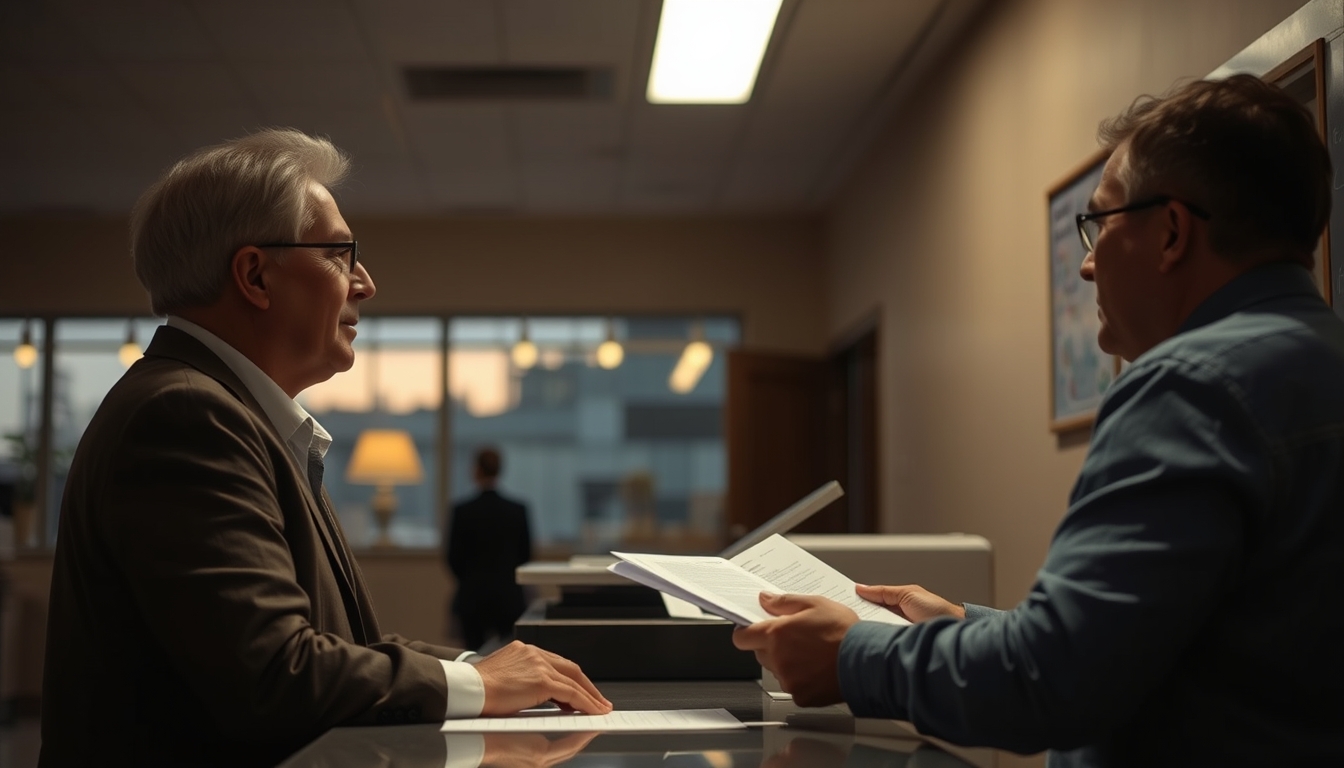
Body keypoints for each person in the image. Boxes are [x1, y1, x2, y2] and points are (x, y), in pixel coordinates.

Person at [733, 73, 1343, 766]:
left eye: (1102, 223)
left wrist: (853, 656)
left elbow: (1050, 683)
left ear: (1171, 231)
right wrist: (969, 626)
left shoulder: (1190, 388)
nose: (1086, 267)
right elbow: (1194, 658)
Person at [39, 128, 610, 768]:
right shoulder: (186, 415)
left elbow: (341, 643)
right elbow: (275, 672)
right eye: (340, 255)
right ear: (255, 274)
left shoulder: (230, 413)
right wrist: (483, 683)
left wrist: (491, 668)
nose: (364, 283)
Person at [446, 447, 533, 651]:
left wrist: (470, 579)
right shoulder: (517, 510)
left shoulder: (462, 511)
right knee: (510, 655)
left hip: (472, 597)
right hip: (508, 597)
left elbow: (453, 558)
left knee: (472, 658)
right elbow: (525, 554)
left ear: (476, 470)